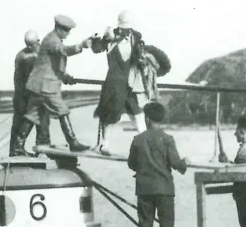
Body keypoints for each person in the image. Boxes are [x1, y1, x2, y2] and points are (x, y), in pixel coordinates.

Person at [13, 15, 92, 154]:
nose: (68, 33)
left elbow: (53, 65)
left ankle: (17, 147)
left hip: (38, 85)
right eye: (67, 30)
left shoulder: (53, 39)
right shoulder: (52, 40)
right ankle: (73, 142)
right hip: (46, 87)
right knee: (62, 110)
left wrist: (66, 77)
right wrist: (81, 46)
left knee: (32, 115)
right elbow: (64, 51)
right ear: (59, 29)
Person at [127, 102, 190, 227]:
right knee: (166, 223)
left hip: (144, 188)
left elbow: (131, 164)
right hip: (164, 189)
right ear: (160, 119)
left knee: (145, 224)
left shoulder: (138, 140)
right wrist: (185, 163)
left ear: (147, 118)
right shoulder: (167, 139)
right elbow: (176, 163)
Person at [90, 10, 149, 156]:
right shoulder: (111, 35)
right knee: (112, 111)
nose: (126, 30)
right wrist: (97, 39)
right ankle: (105, 143)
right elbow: (97, 49)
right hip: (114, 81)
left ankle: (147, 143)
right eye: (124, 27)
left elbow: (139, 55)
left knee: (137, 111)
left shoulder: (136, 36)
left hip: (131, 80)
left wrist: (141, 60)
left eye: (128, 27)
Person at [10, 30, 50, 156]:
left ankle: (16, 149)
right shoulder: (39, 55)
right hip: (31, 94)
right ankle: (41, 148)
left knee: (21, 123)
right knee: (40, 119)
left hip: (22, 93)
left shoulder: (21, 55)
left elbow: (17, 78)